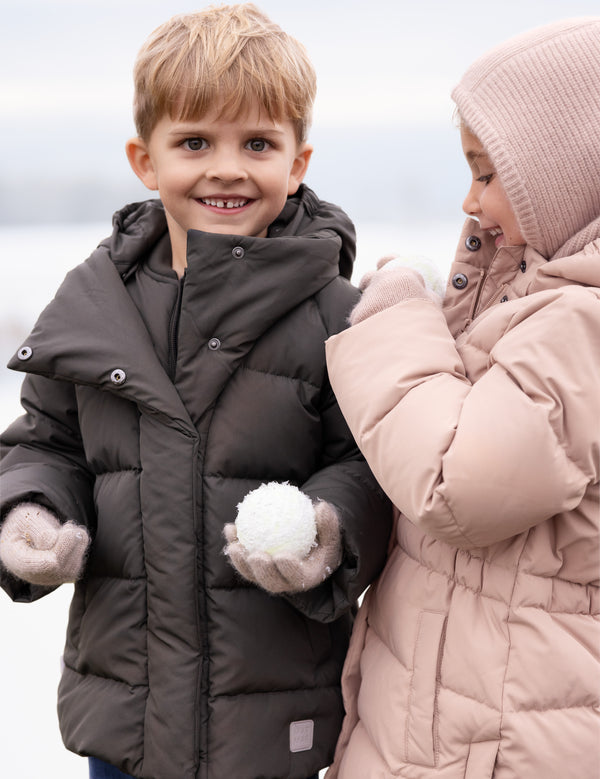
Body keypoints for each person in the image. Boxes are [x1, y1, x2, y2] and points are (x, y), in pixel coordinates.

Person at [0, 5, 392, 779]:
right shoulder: (92, 307)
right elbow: (46, 442)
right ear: (144, 160)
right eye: (194, 143)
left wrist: (328, 528)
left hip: (273, 722)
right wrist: (31, 512)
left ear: (298, 162)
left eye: (258, 144)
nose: (227, 168)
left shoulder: (339, 316)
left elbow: (371, 464)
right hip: (127, 719)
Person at [324, 17, 600, 779]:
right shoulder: (538, 298)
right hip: (452, 720)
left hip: (505, 738)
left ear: (570, 174)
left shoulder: (583, 324)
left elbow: (458, 483)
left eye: (487, 174)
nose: (471, 201)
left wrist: (394, 316)